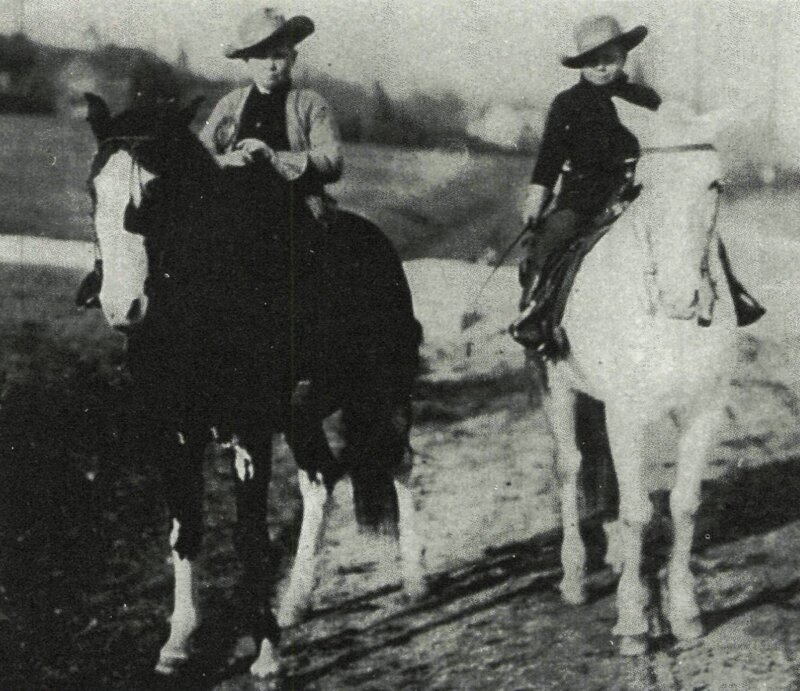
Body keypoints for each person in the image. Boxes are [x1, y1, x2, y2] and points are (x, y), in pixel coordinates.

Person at [512, 15, 661, 346]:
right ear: (580, 64)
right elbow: (549, 157)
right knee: (554, 235)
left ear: (623, 56)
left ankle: (729, 294)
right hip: (584, 196)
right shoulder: (567, 104)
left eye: (609, 59)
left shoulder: (645, 99)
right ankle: (536, 311)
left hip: (639, 194)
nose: (602, 68)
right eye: (592, 61)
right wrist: (537, 198)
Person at [198, 6, 342, 236]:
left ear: (293, 58)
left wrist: (273, 157)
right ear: (246, 61)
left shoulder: (311, 104)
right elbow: (200, 155)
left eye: (279, 55)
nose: (270, 64)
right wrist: (226, 160)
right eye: (260, 56)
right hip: (231, 208)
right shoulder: (230, 104)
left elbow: (332, 162)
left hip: (293, 212)